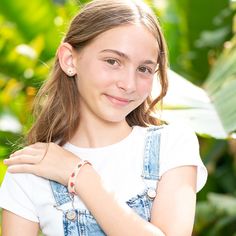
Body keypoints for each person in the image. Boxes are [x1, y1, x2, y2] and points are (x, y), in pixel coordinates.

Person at [0, 0, 207, 235]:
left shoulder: (172, 145)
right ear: (69, 60)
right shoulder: (31, 169)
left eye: (144, 69)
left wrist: (81, 175)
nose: (128, 84)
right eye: (112, 61)